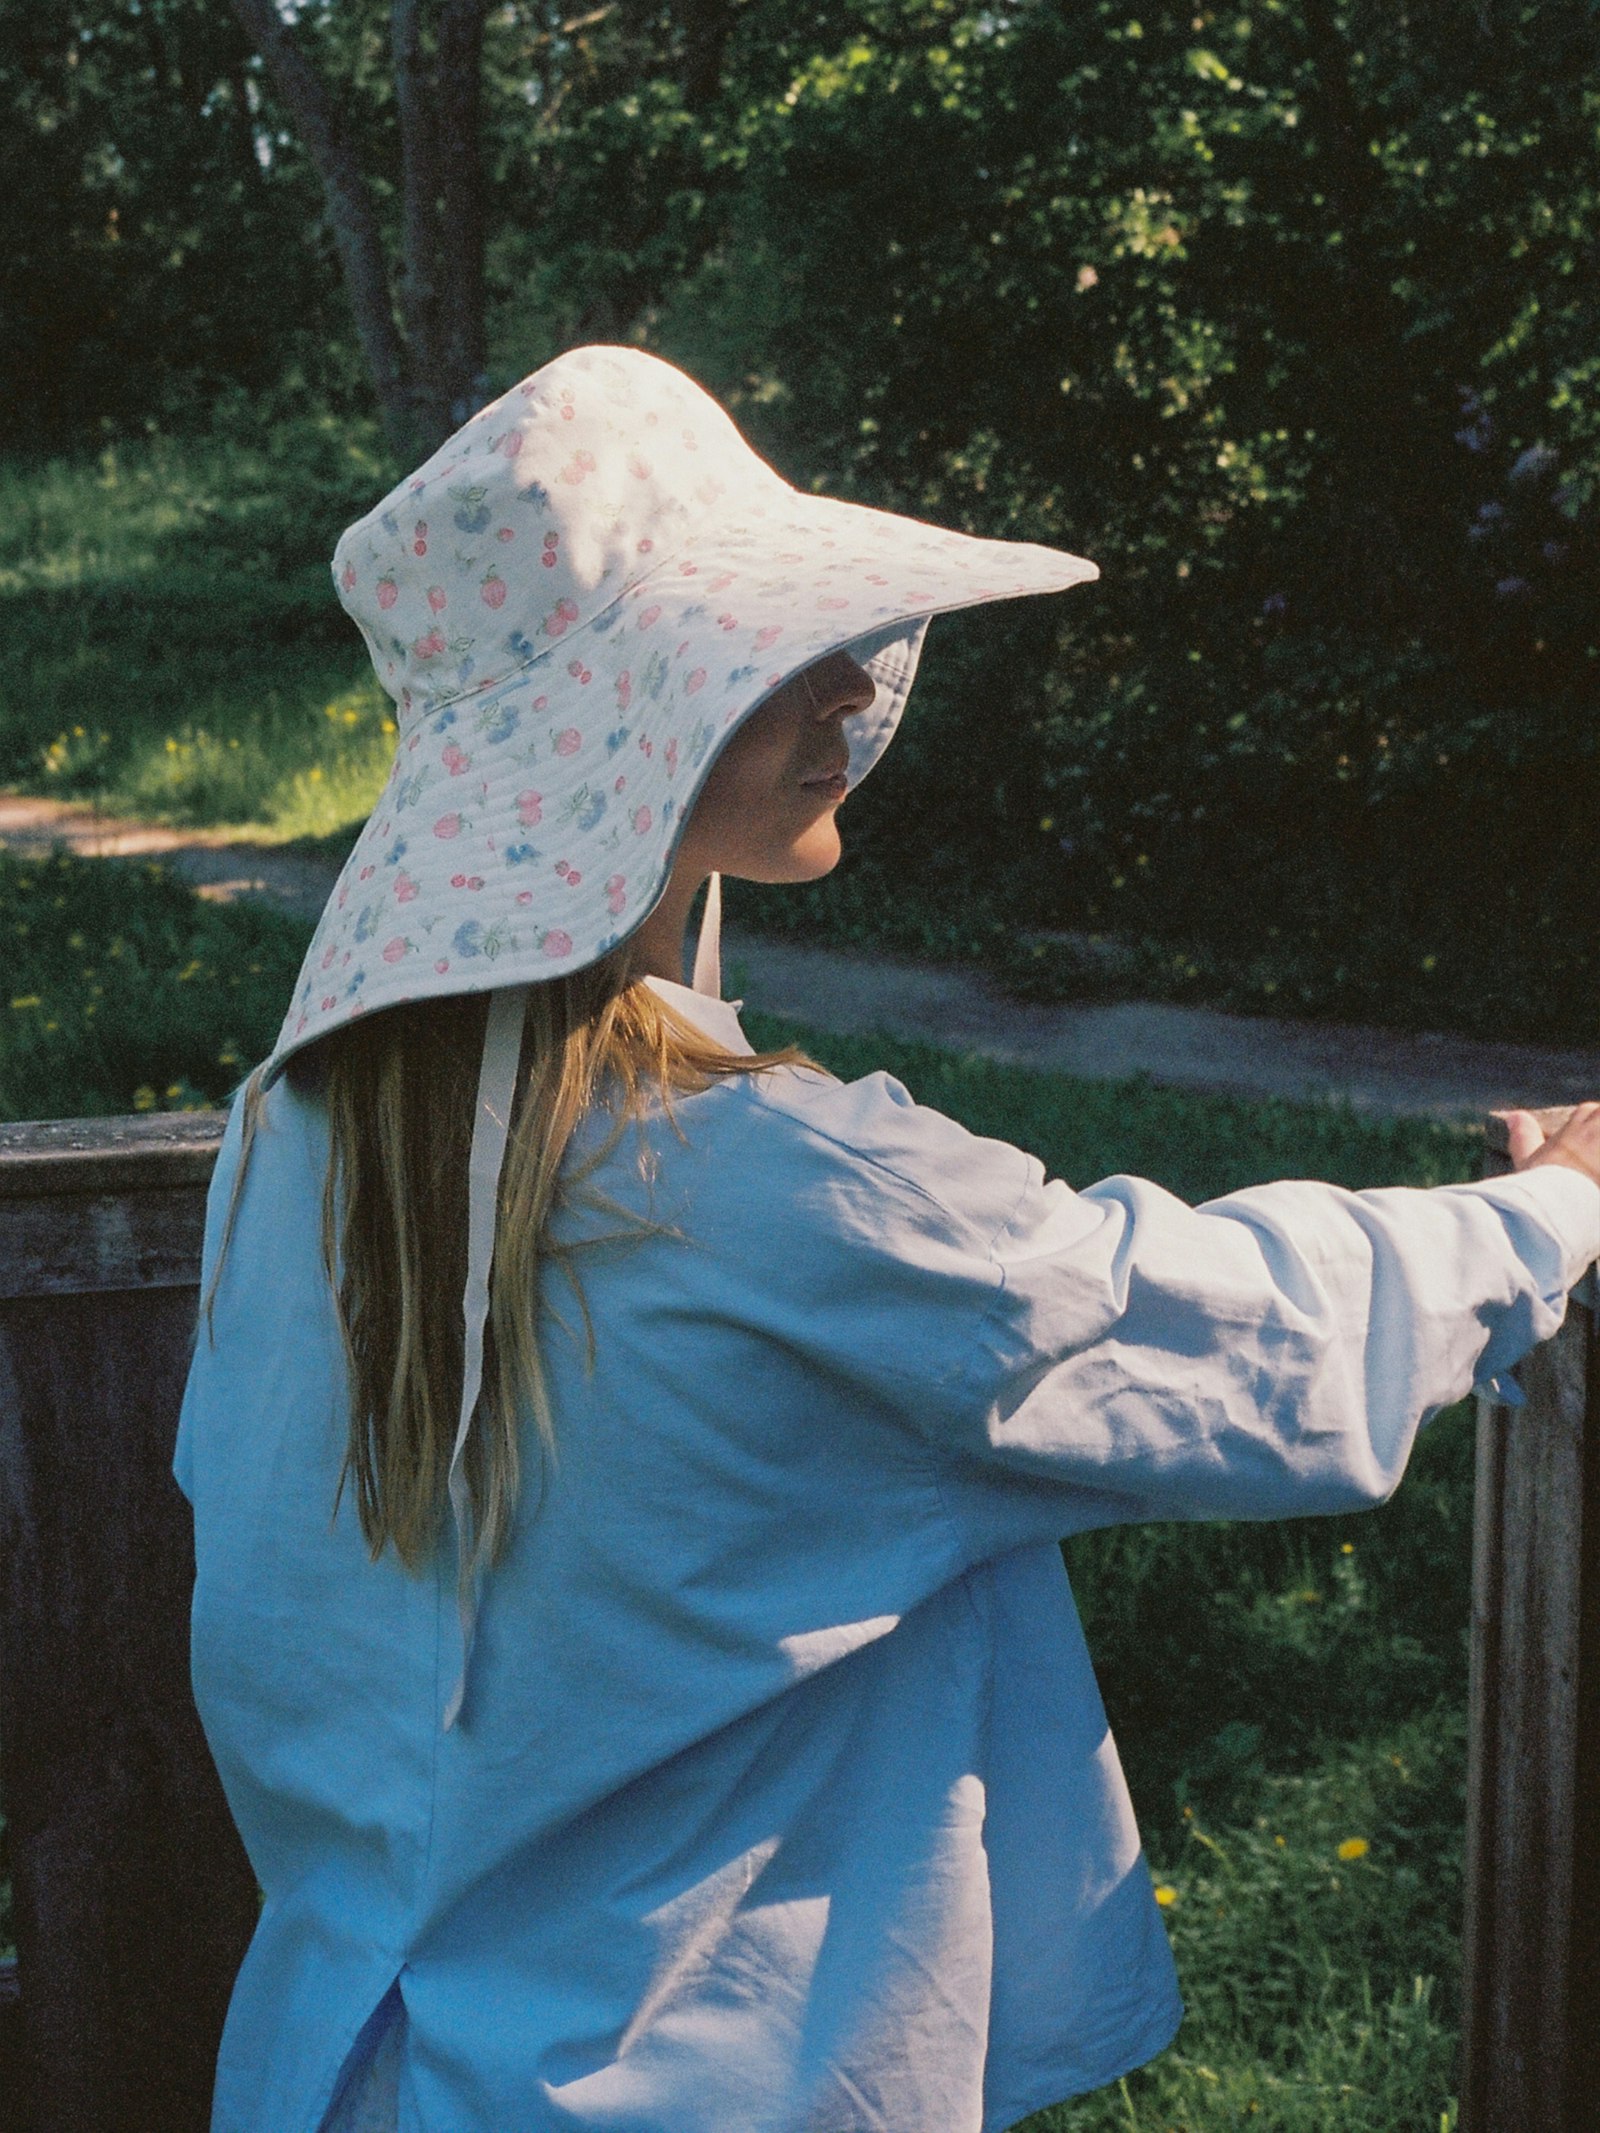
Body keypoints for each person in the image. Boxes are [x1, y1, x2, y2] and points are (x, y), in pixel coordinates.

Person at [175, 345, 1600, 2133]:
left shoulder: (290, 1140)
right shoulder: (778, 1191)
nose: (856, 681)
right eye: (776, 648)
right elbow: (1236, 1344)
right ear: (635, 730)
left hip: (342, 2080)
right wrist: (1558, 1204)